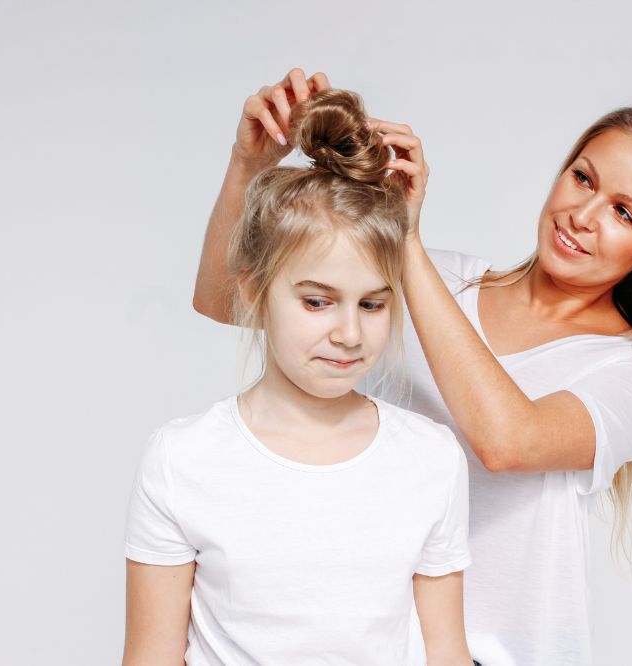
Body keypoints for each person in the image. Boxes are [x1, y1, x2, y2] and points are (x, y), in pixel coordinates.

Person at [194, 68, 632, 666]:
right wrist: (249, 165)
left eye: (624, 213)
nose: (582, 214)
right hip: (364, 642)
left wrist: (407, 242)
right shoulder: (443, 281)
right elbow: (227, 300)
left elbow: (508, 441)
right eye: (582, 178)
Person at [125, 88, 474, 665]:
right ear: (255, 293)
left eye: (372, 305)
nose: (349, 334)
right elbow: (152, 656)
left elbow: (447, 652)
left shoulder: (431, 459)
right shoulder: (182, 459)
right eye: (317, 302)